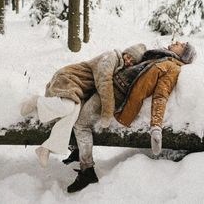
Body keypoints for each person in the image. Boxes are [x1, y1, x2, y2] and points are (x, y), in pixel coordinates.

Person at [66, 41, 196, 193]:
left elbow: (161, 96)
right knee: (76, 106)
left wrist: (156, 127)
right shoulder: (161, 56)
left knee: (81, 124)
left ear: (183, 54)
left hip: (114, 93)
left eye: (182, 44)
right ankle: (77, 151)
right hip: (109, 83)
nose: (177, 42)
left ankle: (87, 171)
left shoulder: (172, 67)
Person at [20, 43, 147, 167]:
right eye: (129, 56)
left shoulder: (119, 67)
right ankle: (37, 101)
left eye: (133, 62)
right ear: (125, 52)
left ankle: (46, 148)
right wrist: (107, 113)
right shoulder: (111, 57)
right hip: (69, 79)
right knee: (68, 107)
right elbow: (104, 84)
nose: (129, 61)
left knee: (72, 116)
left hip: (79, 90)